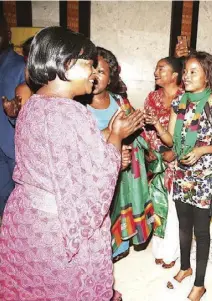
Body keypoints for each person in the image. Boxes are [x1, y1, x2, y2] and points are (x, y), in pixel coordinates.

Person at [0, 26, 145, 301]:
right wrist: (116, 137)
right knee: (66, 288)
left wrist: (109, 137)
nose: (94, 72)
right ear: (66, 64)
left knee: (33, 286)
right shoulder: (70, 112)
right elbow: (95, 183)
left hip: (28, 218)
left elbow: (63, 154)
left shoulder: (35, 103)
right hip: (58, 229)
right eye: (89, 64)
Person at [146, 51, 212, 301]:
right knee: (182, 227)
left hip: (203, 175)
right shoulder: (180, 102)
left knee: (201, 232)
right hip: (181, 171)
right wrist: (157, 125)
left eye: (193, 72)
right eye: (186, 71)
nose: (187, 77)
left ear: (207, 75)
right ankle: (185, 267)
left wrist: (202, 149)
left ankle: (199, 284)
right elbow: (169, 139)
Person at [86, 47, 154, 266]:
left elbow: (138, 135)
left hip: (125, 172)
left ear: (111, 77)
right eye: (91, 69)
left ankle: (120, 248)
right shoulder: (78, 107)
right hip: (94, 174)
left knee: (123, 205)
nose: (95, 76)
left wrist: (136, 149)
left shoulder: (120, 102)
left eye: (102, 72)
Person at [143, 56, 184, 268]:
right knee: (156, 206)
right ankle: (157, 248)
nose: (156, 72)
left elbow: (190, 134)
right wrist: (156, 151)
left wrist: (175, 152)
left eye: (161, 69)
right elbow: (146, 130)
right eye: (156, 68)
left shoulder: (186, 98)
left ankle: (171, 252)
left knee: (175, 209)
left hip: (179, 164)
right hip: (156, 162)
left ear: (175, 75)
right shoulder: (152, 97)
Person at [0, 14, 26, 218]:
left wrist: (15, 115)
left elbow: (28, 112)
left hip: (13, 149)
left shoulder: (21, 66)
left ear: (7, 34)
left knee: (16, 205)